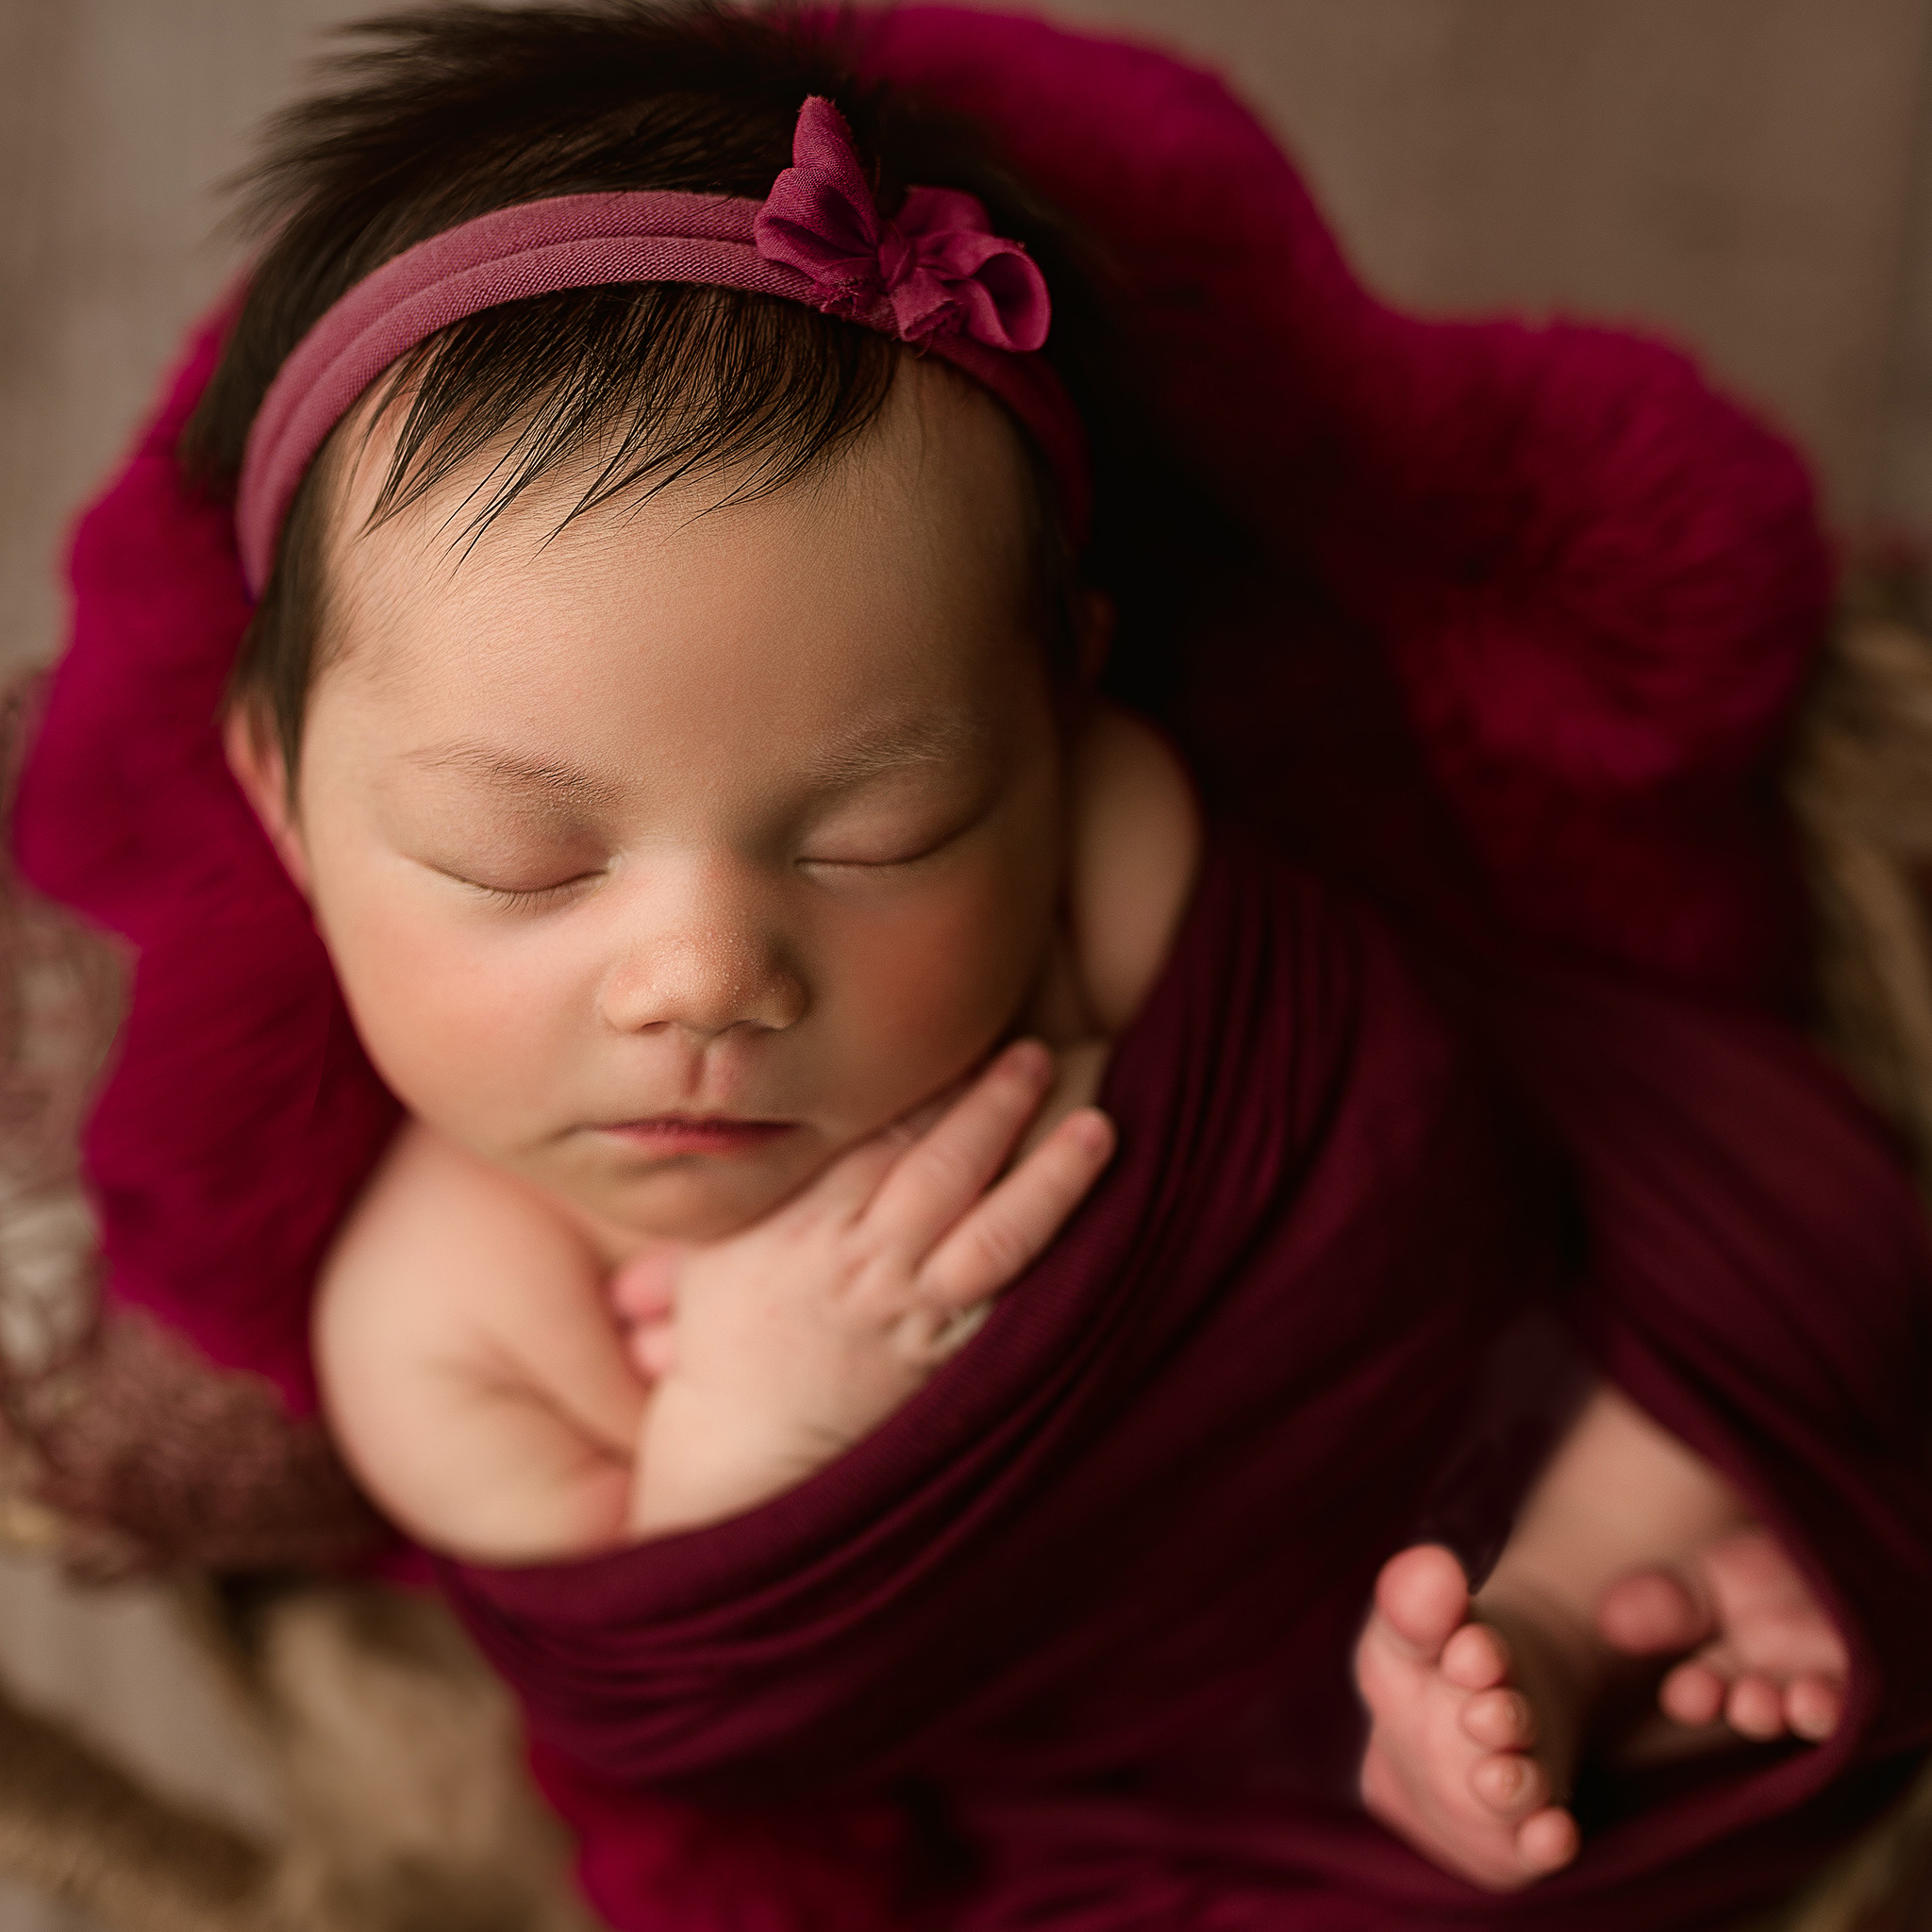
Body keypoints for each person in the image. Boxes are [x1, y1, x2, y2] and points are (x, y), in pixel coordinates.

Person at [17, 6, 1930, 1927]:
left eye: (878, 833)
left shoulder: (1105, 824)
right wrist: (746, 1444)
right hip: (1146, 1717)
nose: (706, 971)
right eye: (522, 859)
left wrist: (1129, 1155)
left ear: (1056, 706)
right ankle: (1505, 1666)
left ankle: (1590, 1556)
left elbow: (1396, 1112)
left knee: (1780, 1239)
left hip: (1477, 1359)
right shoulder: (438, 1317)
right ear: (281, 802)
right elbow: (681, 1700)